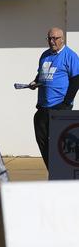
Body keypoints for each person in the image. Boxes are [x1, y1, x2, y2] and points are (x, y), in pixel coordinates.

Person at [30, 27, 79, 170]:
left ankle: (62, 173)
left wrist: (66, 104)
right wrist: (34, 82)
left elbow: (76, 81)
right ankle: (53, 170)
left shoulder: (70, 56)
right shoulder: (45, 55)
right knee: (42, 140)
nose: (52, 41)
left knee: (60, 144)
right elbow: (41, 75)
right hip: (43, 106)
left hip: (59, 107)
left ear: (62, 39)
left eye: (55, 38)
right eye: (49, 38)